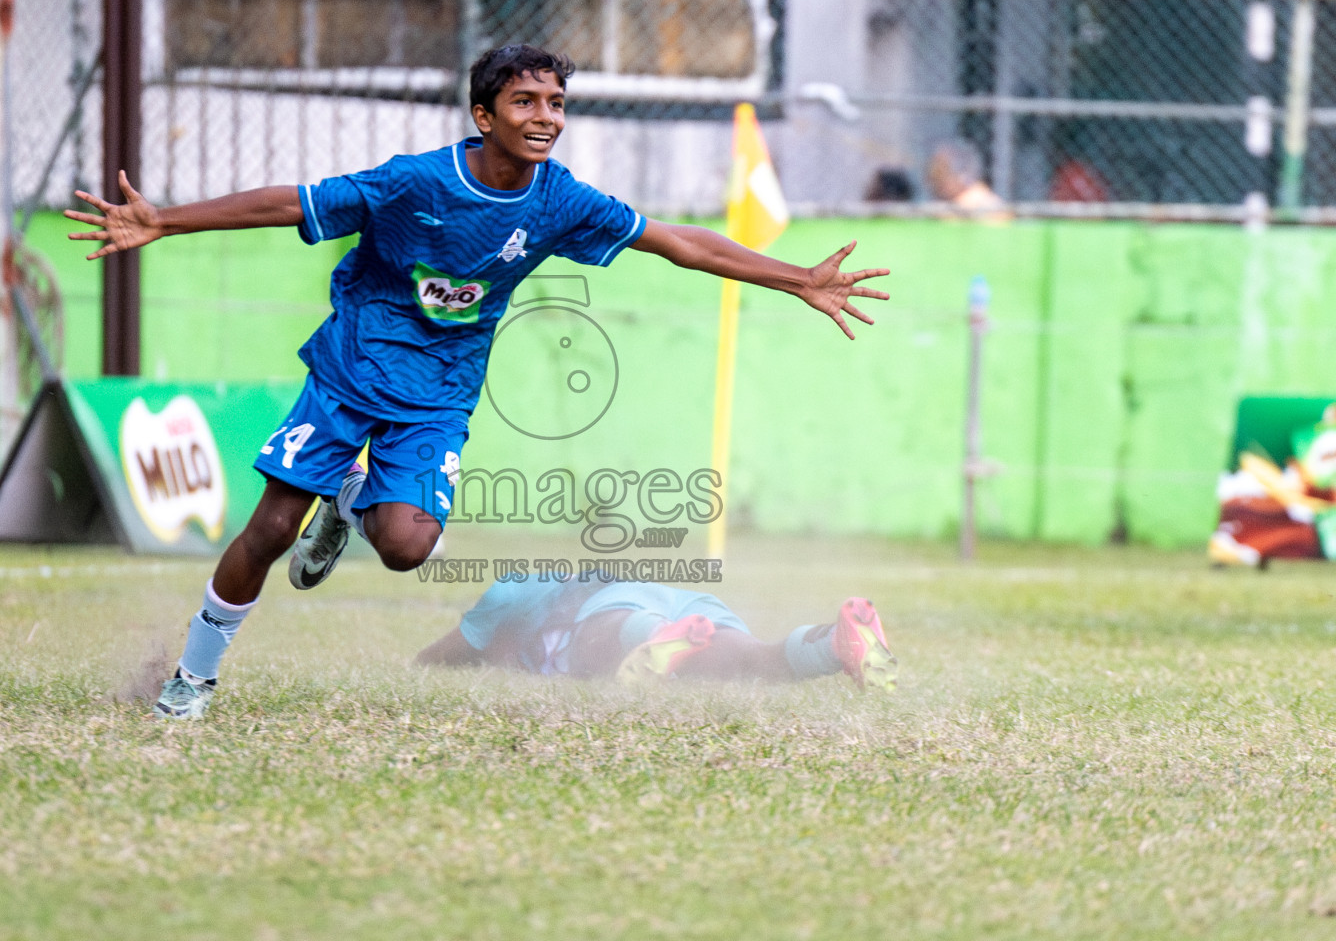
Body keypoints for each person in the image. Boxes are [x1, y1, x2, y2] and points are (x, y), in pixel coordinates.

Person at [66, 44, 891, 720]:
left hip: (440, 390)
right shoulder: (416, 182)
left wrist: (796, 278)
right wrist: (165, 220)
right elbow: (293, 203)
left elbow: (680, 242)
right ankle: (193, 680)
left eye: (557, 105)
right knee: (273, 526)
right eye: (527, 103)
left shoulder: (561, 200)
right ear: (484, 114)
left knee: (405, 547)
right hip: (353, 369)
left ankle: (354, 503)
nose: (546, 120)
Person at [415, 576, 899, 691]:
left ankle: (659, 634)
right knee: (753, 660)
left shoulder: (513, 595)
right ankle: (833, 647)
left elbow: (445, 655)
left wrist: (412, 669)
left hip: (621, 609)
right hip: (693, 607)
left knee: (593, 642)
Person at [926, 140, 1008, 219]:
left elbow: (1002, 219)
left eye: (944, 170)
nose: (937, 179)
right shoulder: (932, 205)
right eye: (937, 171)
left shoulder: (978, 199)